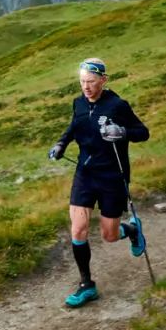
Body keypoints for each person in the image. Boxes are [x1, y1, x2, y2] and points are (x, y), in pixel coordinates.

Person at [48, 58, 150, 308]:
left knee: (109, 235)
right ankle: (87, 285)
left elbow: (143, 132)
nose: (86, 87)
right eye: (83, 82)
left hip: (112, 177)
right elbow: (75, 126)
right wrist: (61, 143)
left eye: (91, 82)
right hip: (84, 174)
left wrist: (123, 133)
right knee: (78, 228)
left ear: (103, 80)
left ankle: (132, 230)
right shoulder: (79, 103)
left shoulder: (117, 105)